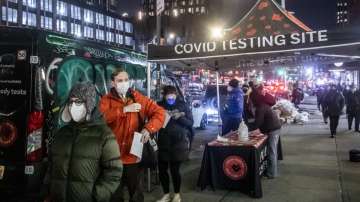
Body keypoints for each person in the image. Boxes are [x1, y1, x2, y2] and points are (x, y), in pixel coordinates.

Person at [42, 82, 123, 202]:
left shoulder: (104, 136)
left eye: (78, 102)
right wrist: (47, 193)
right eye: (71, 102)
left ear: (89, 104)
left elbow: (114, 173)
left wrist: (96, 196)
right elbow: (51, 167)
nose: (73, 106)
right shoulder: (61, 134)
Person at [99, 68, 165, 202]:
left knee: (135, 193)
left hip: (133, 155)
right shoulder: (106, 100)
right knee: (114, 194)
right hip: (112, 156)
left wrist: (148, 129)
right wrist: (123, 110)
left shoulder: (138, 97)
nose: (124, 83)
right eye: (120, 80)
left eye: (126, 80)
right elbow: (100, 118)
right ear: (113, 83)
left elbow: (160, 113)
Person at [156, 86, 193, 202]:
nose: (171, 97)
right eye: (168, 95)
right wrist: (162, 116)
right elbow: (154, 121)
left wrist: (180, 117)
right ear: (164, 95)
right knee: (162, 170)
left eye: (173, 94)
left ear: (176, 94)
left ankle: (177, 194)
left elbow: (190, 123)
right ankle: (166, 194)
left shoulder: (183, 105)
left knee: (175, 170)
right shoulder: (159, 105)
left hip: (178, 143)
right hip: (163, 142)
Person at [251, 90, 282, 178]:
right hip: (271, 128)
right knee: (271, 150)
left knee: (271, 151)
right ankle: (270, 170)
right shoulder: (263, 105)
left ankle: (272, 173)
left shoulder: (260, 108)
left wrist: (250, 130)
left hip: (273, 129)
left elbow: (258, 123)